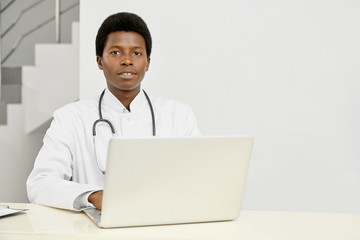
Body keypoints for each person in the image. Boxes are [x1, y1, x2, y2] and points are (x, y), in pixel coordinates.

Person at [26, 12, 200, 211]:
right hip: (96, 230)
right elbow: (39, 184)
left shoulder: (179, 116)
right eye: (116, 52)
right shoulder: (69, 118)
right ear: (100, 62)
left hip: (162, 224)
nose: (127, 60)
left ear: (148, 63)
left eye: (136, 53)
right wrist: (91, 196)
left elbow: (198, 178)